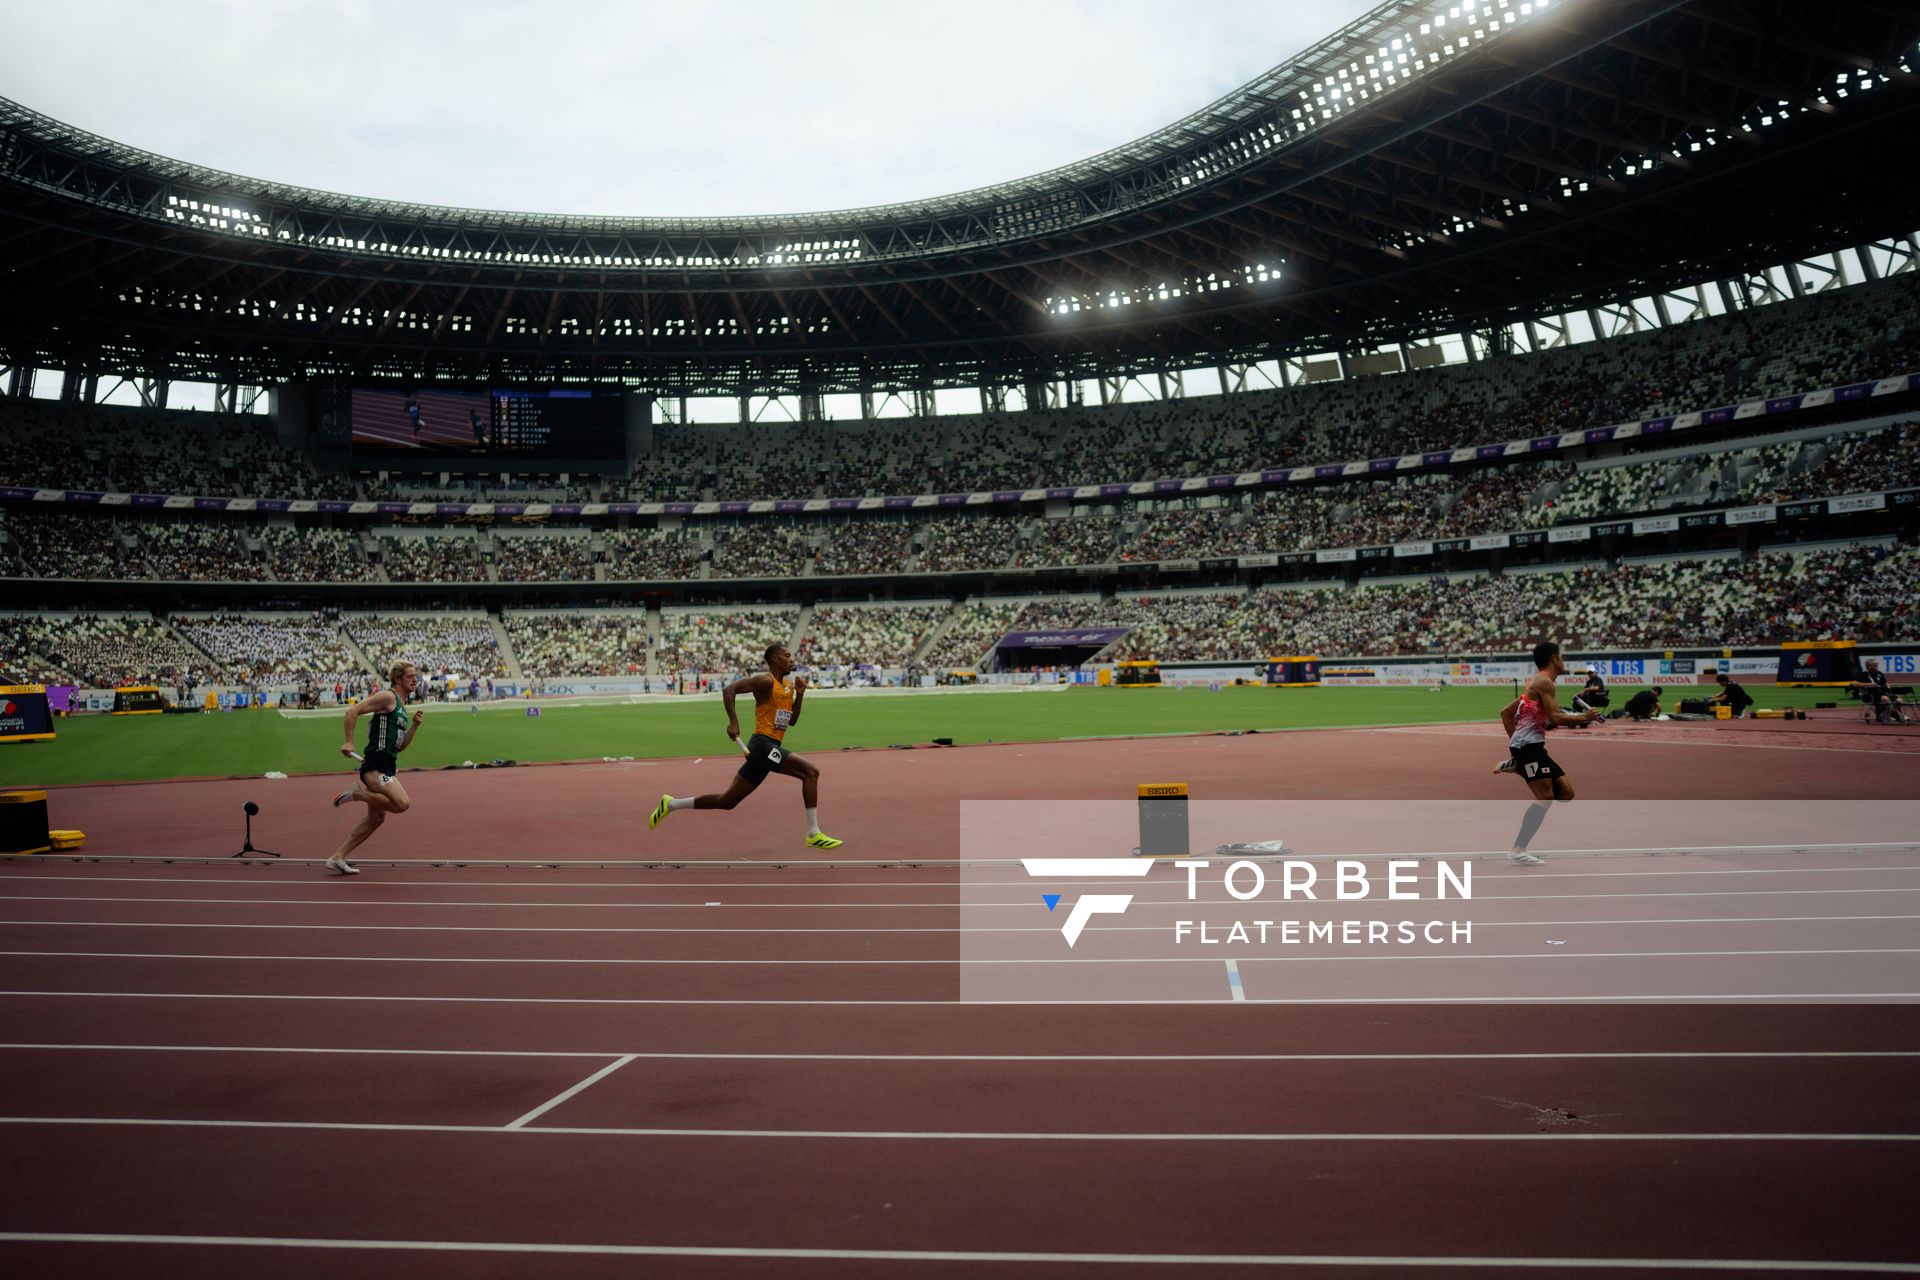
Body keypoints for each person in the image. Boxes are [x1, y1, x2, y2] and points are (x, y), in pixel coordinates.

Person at [649, 644, 842, 850]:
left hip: (770, 747)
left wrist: (800, 695)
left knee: (727, 801)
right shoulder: (766, 681)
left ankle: (671, 804)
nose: (791, 659)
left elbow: (791, 721)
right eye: (787, 656)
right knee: (811, 772)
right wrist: (733, 721)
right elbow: (729, 689)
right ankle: (813, 833)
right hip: (762, 745)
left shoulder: (788, 686)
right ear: (775, 659)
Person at [1491, 640, 1601, 866]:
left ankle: (1518, 765)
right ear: (1554, 658)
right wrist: (1585, 717)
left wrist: (1516, 745)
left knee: (1566, 793)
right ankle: (1518, 849)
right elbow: (1555, 718)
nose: (1564, 661)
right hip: (1528, 747)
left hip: (1531, 746)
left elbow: (1505, 712)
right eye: (1562, 656)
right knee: (1545, 797)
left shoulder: (1538, 682)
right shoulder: (1544, 682)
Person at [326, 662, 425, 875]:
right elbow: (353, 710)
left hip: (388, 764)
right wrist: (349, 741)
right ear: (397, 679)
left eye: (416, 676)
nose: (415, 680)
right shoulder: (388, 697)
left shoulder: (401, 706)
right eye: (410, 676)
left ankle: (337, 857)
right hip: (375, 764)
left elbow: (400, 746)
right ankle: (357, 794)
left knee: (376, 818)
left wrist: (414, 727)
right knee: (402, 804)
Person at [1849, 658, 1909, 724]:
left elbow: (1885, 682)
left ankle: (1891, 715)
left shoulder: (1879, 673)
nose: (1877, 666)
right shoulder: (1864, 674)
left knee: (1899, 699)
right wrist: (1869, 684)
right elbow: (1854, 684)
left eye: (1877, 664)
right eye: (1875, 665)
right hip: (1871, 695)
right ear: (1869, 666)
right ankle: (1899, 716)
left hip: (1884, 693)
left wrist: (1887, 685)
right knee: (1885, 698)